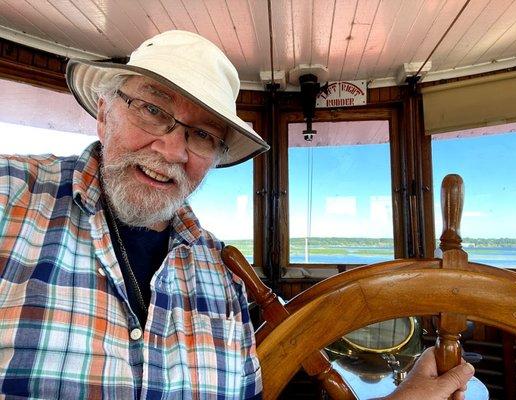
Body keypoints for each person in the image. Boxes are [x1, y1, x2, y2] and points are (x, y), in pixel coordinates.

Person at [0, 30, 473, 399]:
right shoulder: (11, 197)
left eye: (202, 135)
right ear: (104, 112)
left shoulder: (221, 277)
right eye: (151, 108)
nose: (171, 149)